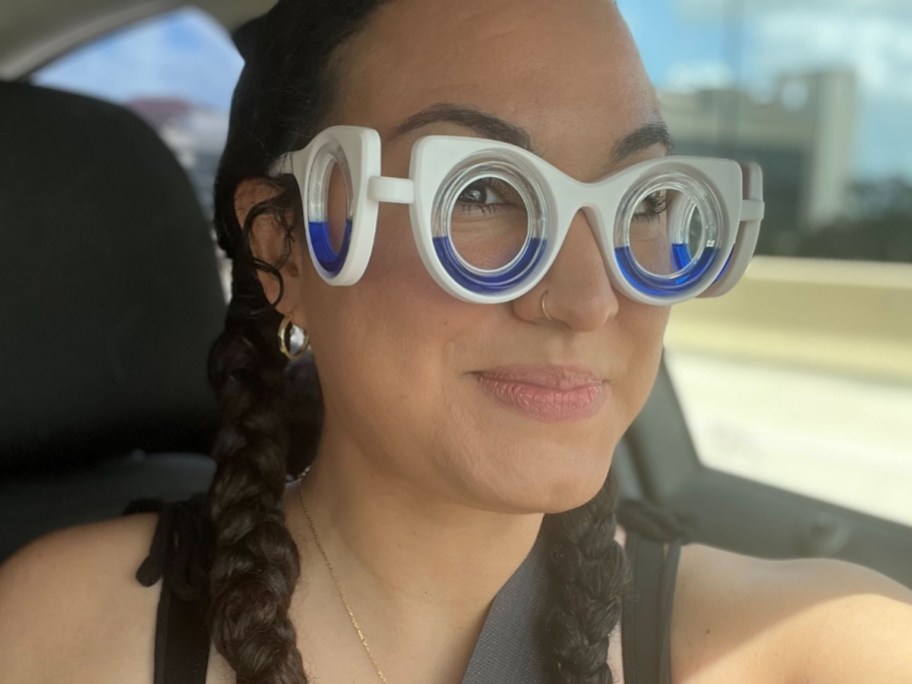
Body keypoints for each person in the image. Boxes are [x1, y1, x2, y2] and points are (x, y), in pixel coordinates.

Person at [1, 0, 911, 682]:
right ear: (285, 245)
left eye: (646, 198)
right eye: (479, 192)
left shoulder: (811, 646)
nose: (590, 300)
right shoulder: (67, 635)